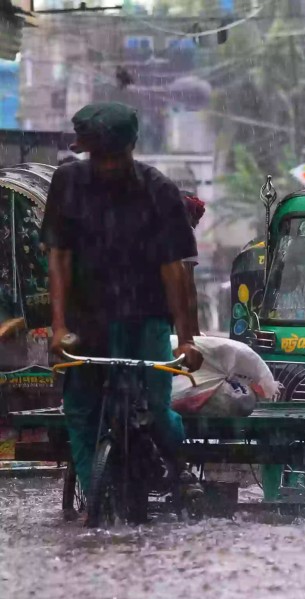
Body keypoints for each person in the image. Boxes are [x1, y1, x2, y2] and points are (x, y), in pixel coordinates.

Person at [43, 102, 203, 513]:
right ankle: (97, 490)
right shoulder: (67, 183)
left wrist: (186, 340)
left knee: (155, 407)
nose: (107, 165)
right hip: (86, 318)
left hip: (145, 316)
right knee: (80, 410)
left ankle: (177, 465)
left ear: (132, 146)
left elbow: (175, 271)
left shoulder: (160, 190)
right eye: (99, 155)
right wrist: (58, 326)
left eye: (115, 155)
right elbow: (58, 258)